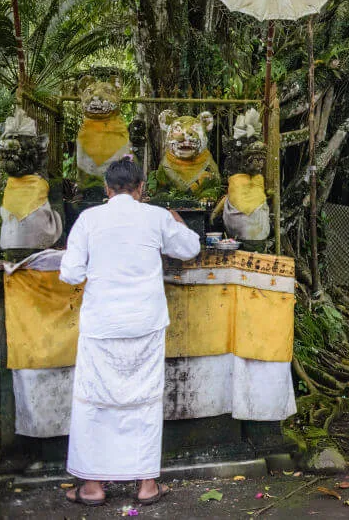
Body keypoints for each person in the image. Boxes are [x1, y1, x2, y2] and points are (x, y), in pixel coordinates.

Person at [59, 156, 201, 507]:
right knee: (145, 401)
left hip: (102, 326)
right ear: (141, 189)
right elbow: (191, 248)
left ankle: (91, 487)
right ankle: (147, 485)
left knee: (94, 402)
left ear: (106, 189)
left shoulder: (88, 219)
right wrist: (177, 221)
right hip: (145, 323)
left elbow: (71, 273)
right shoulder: (155, 216)